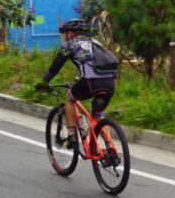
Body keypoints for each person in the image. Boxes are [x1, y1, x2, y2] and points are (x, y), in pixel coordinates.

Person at [35, 19, 117, 149]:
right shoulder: (96, 42)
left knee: (70, 98)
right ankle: (110, 148)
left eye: (66, 33)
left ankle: (72, 135)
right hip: (110, 82)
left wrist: (43, 82)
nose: (66, 36)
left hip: (91, 82)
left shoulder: (69, 45)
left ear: (71, 33)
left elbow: (54, 68)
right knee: (98, 116)